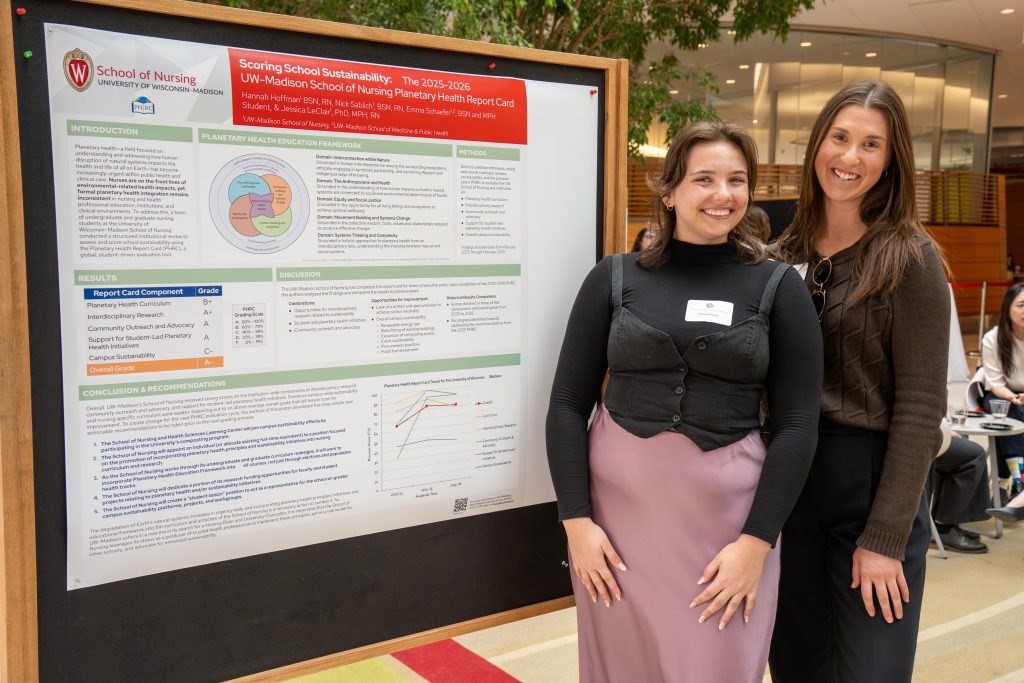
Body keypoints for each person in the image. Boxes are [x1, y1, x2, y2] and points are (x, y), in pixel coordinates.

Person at [546, 122, 822, 683]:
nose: (723, 194)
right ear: (669, 191)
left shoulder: (777, 287)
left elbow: (797, 424)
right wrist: (576, 521)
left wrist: (756, 543)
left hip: (728, 531)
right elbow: (567, 406)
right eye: (705, 179)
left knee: (716, 665)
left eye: (737, 180)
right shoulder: (613, 278)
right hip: (616, 533)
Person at [769, 80, 950, 682]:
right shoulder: (778, 253)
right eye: (840, 137)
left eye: (871, 144)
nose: (849, 157)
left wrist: (886, 536)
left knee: (871, 670)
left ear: (892, 160)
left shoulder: (910, 257)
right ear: (818, 141)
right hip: (790, 483)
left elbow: (922, 409)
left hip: (870, 484)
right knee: (797, 665)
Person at [980, 283, 1024, 501]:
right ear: (1008, 307)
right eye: (1022, 305)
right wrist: (1013, 397)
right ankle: (1019, 481)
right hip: (1002, 394)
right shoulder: (993, 339)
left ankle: (1004, 483)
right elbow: (995, 382)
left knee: (1007, 419)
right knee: (1008, 411)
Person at [929, 433, 991, 553]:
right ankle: (944, 530)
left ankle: (943, 525)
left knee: (961, 452)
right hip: (914, 437)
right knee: (975, 455)